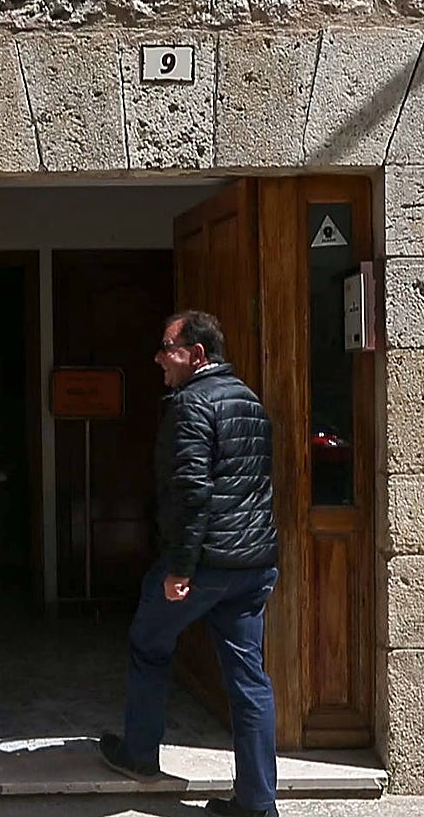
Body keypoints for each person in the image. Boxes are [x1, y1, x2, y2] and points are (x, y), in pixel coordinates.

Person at [98, 310, 280, 817]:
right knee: (249, 680)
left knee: (148, 643)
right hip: (253, 564)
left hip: (205, 563)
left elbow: (190, 495)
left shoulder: (191, 406)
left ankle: (138, 754)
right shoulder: (249, 401)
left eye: (166, 347)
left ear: (196, 354)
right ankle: (258, 805)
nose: (158, 358)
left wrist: (180, 568)